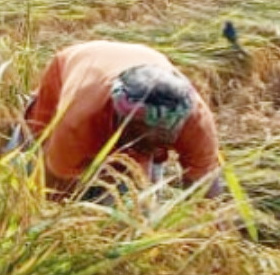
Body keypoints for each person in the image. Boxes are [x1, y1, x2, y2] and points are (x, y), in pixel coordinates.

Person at [18, 41, 223, 200]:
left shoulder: (195, 122)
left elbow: (205, 189)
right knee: (33, 148)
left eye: (159, 142)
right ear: (118, 114)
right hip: (81, 62)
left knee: (141, 195)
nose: (146, 145)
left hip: (145, 59)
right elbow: (54, 189)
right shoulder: (79, 119)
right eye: (138, 135)